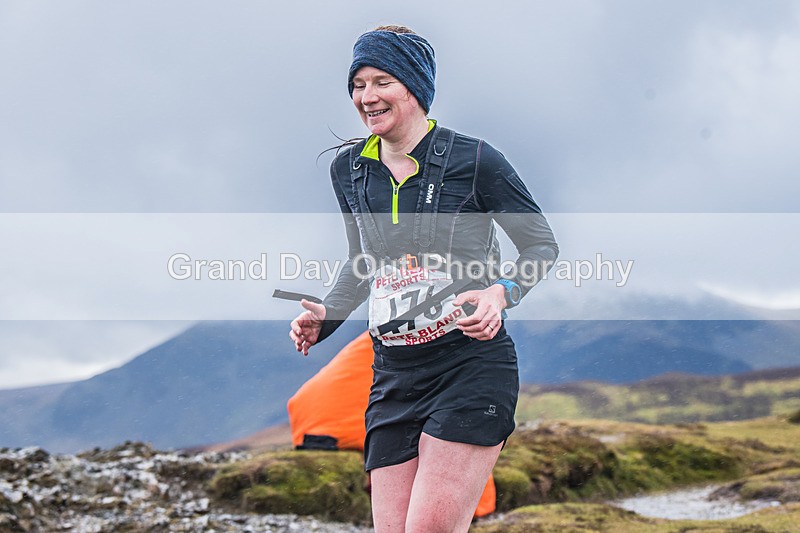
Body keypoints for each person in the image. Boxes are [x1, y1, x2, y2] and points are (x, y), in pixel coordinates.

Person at [289, 25, 558, 532]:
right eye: (358, 85)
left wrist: (501, 293)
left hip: (469, 365)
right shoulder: (349, 170)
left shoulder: (474, 159)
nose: (367, 97)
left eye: (382, 82)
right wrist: (327, 315)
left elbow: (541, 245)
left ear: (414, 86)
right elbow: (361, 262)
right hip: (393, 376)